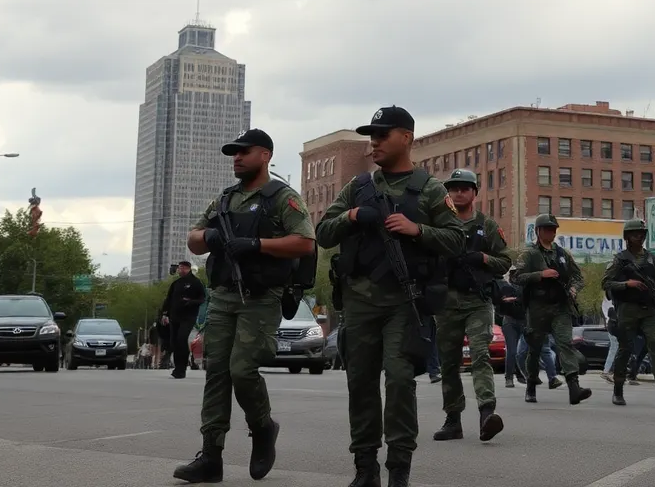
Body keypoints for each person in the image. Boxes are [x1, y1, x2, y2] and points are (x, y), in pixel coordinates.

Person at [315, 106, 464, 487]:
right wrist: (351, 217)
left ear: (407, 138)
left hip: (404, 302)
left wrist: (418, 230)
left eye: (383, 134)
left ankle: (399, 468)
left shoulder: (429, 189)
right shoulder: (359, 187)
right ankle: (365, 469)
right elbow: (323, 233)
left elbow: (455, 239)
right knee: (360, 383)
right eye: (372, 136)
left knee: (399, 380)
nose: (374, 142)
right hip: (359, 303)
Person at [173, 128, 316, 484]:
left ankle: (263, 427)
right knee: (216, 372)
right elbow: (193, 239)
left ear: (265, 155)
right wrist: (208, 236)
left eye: (244, 151)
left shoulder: (282, 197)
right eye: (233, 153)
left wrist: (256, 244)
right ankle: (211, 455)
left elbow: (304, 242)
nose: (236, 157)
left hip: (260, 297)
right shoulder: (226, 199)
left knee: (242, 369)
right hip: (222, 296)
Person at [432, 169, 512, 444]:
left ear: (475, 192)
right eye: (454, 188)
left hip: (477, 300)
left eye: (465, 188)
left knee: (480, 356)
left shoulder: (486, 226)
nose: (458, 192)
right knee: (449, 363)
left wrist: (482, 258)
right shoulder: (442, 224)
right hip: (446, 302)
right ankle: (453, 419)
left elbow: (505, 262)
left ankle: (486, 414)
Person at [601, 218, 655, 408]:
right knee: (625, 347)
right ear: (627, 237)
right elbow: (606, 283)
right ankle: (618, 390)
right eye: (636, 233)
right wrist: (626, 284)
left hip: (650, 308)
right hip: (628, 308)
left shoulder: (651, 258)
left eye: (642, 233)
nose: (640, 237)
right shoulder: (620, 259)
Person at [513, 214, 592, 405]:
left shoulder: (563, 254)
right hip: (538, 307)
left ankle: (574, 387)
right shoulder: (529, 254)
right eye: (547, 229)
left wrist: (573, 289)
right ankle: (531, 385)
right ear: (538, 231)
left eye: (553, 229)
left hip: (560, 307)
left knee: (565, 343)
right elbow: (516, 277)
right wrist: (541, 274)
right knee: (535, 348)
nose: (551, 232)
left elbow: (578, 277)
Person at [160, 261, 206, 379]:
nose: (179, 270)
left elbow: (202, 299)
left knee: (182, 338)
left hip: (188, 317)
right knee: (174, 342)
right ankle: (177, 369)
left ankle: (182, 368)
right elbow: (168, 299)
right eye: (179, 268)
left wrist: (190, 302)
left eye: (181, 268)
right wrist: (165, 314)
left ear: (187, 269)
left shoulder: (195, 282)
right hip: (174, 316)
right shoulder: (176, 283)